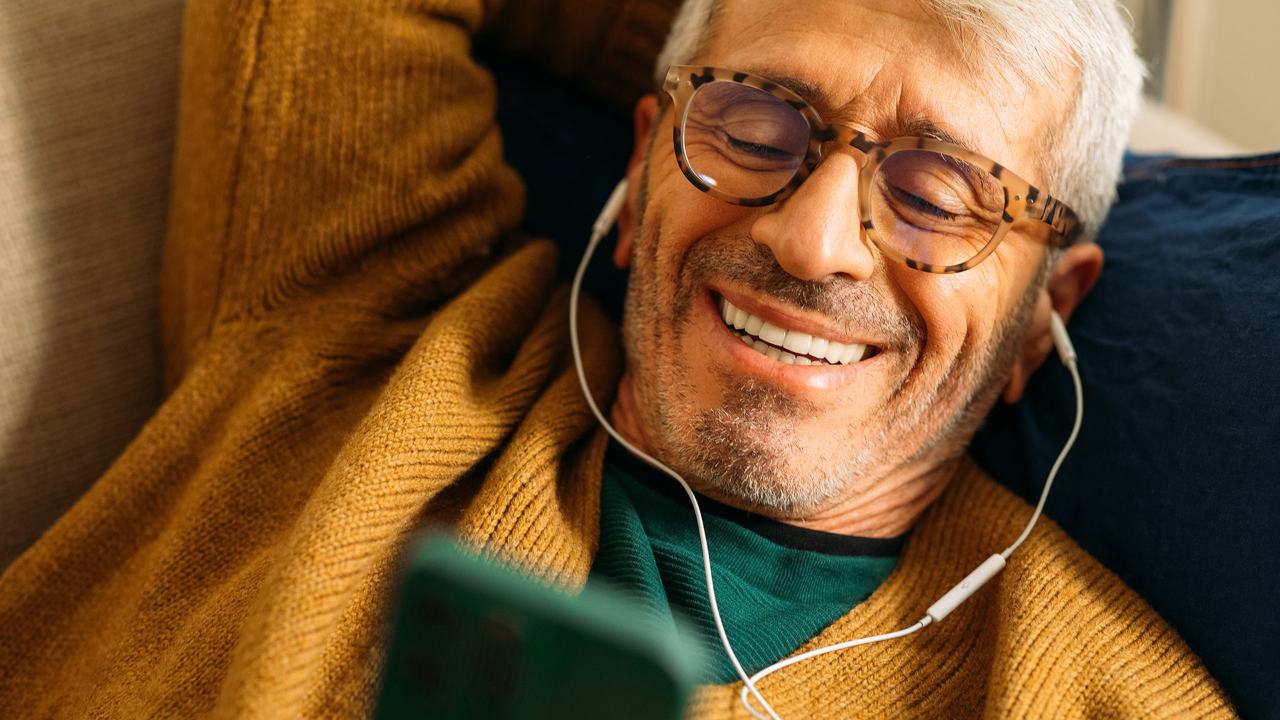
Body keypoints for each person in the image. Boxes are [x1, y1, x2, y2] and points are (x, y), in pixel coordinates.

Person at [0, 0, 1234, 717]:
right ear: (641, 174)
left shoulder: (1104, 699)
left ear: (1038, 319)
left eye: (939, 191)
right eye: (754, 122)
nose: (811, 244)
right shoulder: (361, 304)